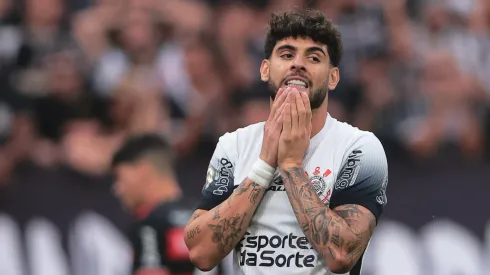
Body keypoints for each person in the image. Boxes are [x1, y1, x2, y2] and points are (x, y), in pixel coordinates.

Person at [184, 9, 388, 275]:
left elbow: (341, 254)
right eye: (287, 54)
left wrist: (291, 165)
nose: (298, 64)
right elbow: (200, 253)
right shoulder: (233, 145)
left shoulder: (360, 148)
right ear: (265, 69)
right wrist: (264, 165)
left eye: (313, 57)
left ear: (333, 77)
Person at [111, 134, 226, 275]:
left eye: (120, 178)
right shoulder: (209, 217)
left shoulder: (149, 225)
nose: (117, 189)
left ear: (143, 170)